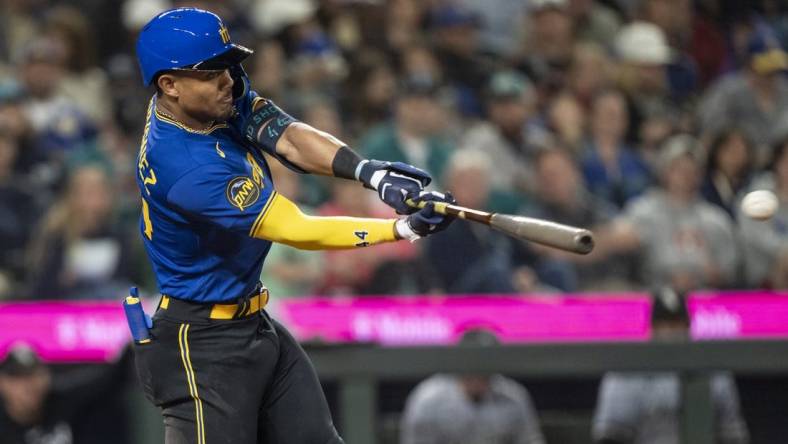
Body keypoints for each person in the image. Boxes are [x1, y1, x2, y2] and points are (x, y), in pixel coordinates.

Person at [131, 8, 455, 444]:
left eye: (229, 64)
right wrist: (399, 230)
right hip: (201, 345)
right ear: (169, 85)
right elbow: (297, 229)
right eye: (211, 71)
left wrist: (370, 174)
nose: (228, 79)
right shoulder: (185, 165)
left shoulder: (205, 100)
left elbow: (284, 134)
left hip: (252, 321)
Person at [592, 288, 749, 444]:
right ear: (652, 329)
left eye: (677, 325)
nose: (670, 333)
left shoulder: (713, 370)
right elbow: (610, 437)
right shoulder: (626, 371)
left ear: (688, 328)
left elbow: (732, 437)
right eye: (663, 325)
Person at [400, 330, 546, 444]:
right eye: (472, 370)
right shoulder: (429, 398)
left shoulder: (513, 395)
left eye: (485, 372)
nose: (478, 377)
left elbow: (530, 440)